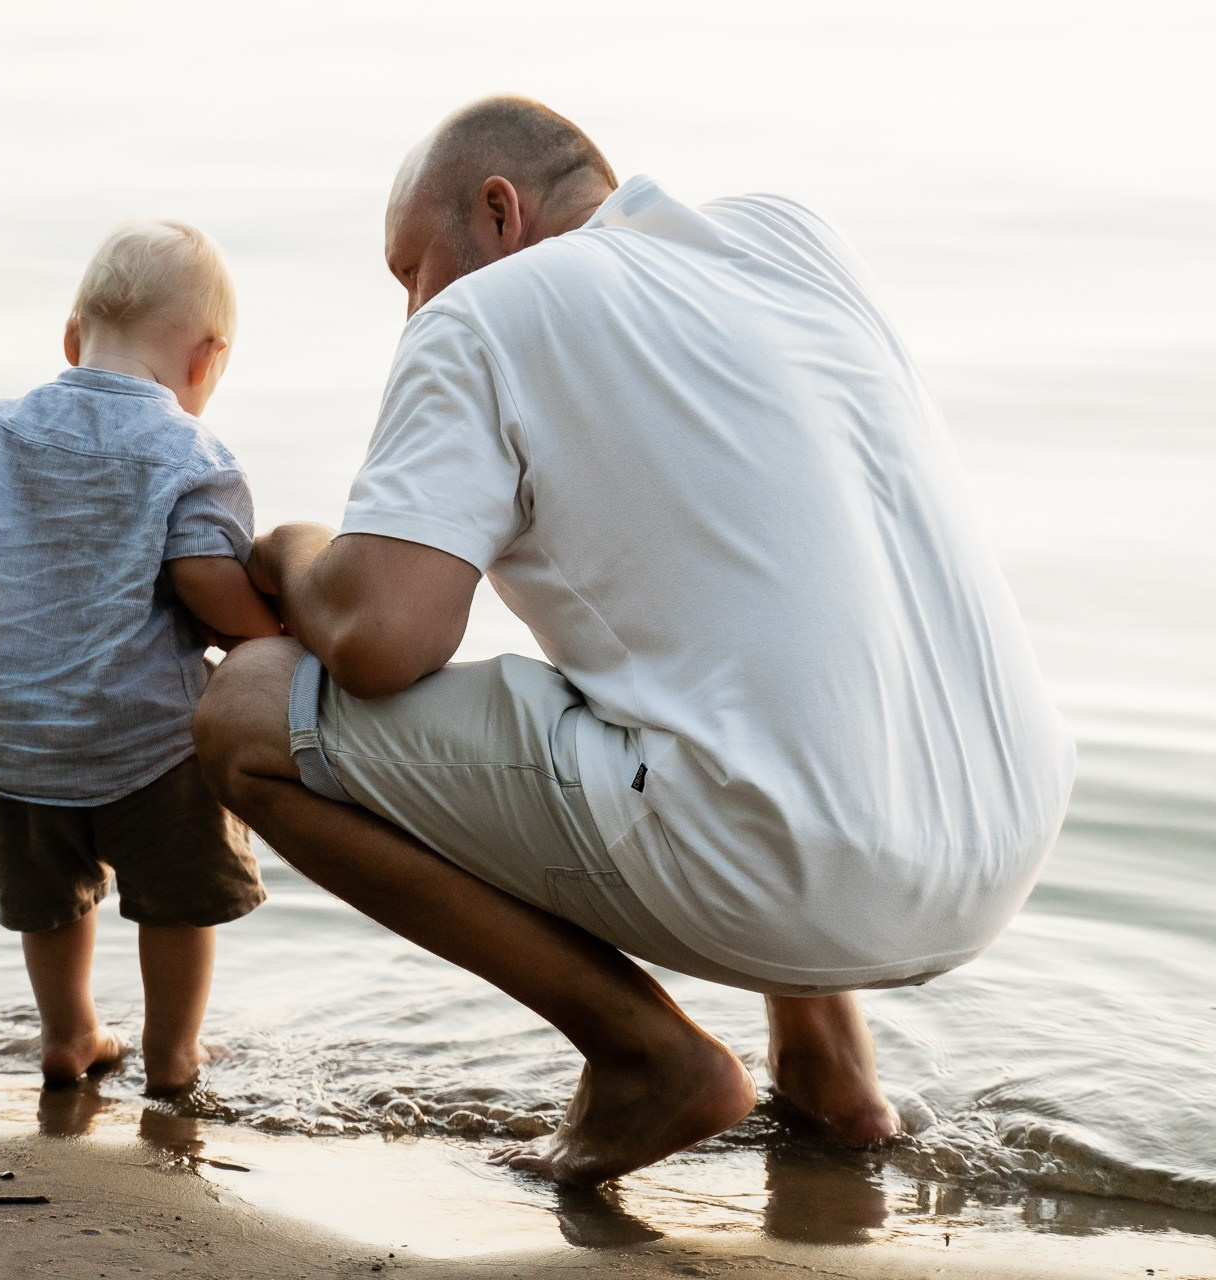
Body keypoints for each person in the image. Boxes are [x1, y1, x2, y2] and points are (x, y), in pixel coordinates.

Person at [193, 97, 1075, 1183]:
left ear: (500, 213)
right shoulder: (791, 238)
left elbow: (380, 639)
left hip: (788, 868)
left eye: (409, 270)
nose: (410, 307)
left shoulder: (481, 316)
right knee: (726, 630)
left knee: (246, 709)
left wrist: (293, 554)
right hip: (1002, 828)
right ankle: (830, 1069)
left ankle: (645, 1056)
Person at [0, 220, 280, 1094]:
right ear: (208, 361)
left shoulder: (4, 428)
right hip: (146, 740)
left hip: (20, 739)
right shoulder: (189, 451)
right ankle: (172, 1053)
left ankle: (69, 1035)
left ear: (74, 337)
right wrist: (269, 638)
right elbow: (204, 581)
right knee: (180, 899)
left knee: (50, 897)